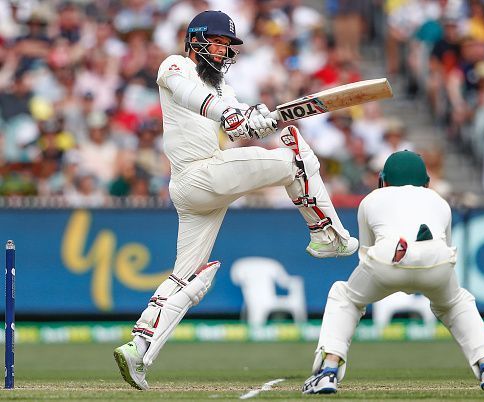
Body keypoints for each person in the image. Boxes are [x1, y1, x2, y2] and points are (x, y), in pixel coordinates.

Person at [113, 10, 358, 390]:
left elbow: (236, 125)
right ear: (196, 40)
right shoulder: (175, 66)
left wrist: (256, 120)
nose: (225, 50)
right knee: (296, 158)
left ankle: (138, 348)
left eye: (229, 45)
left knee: (190, 278)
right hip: (198, 174)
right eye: (219, 42)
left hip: (203, 188)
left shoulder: (225, 90)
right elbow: (195, 98)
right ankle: (326, 234)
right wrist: (230, 113)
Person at [302, 151, 484, 395]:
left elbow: (366, 252)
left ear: (385, 180)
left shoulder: (372, 199)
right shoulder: (439, 201)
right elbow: (446, 249)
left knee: (346, 296)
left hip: (389, 256)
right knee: (456, 302)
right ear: (425, 181)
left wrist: (394, 270)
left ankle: (328, 371)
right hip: (437, 259)